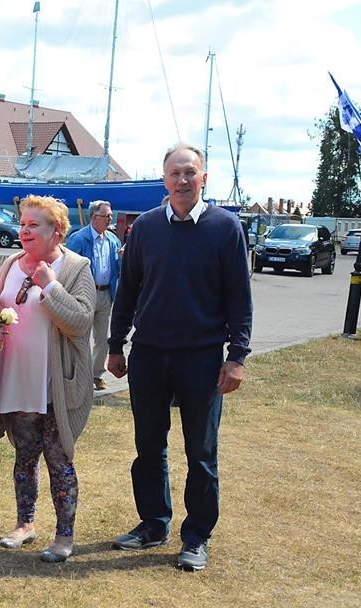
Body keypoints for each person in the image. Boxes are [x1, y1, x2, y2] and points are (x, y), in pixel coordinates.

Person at [107, 143, 252, 572]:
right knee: (148, 447)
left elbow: (239, 297)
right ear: (164, 180)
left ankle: (197, 536)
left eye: (190, 172)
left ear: (203, 178)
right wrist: (115, 344)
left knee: (201, 452)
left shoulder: (225, 227)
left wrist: (237, 356)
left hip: (202, 358)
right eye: (175, 173)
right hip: (149, 354)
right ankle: (154, 523)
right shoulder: (146, 228)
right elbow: (128, 289)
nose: (183, 180)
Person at [0, 195, 95, 562]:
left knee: (59, 459)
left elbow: (81, 322)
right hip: (18, 379)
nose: (25, 231)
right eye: (22, 224)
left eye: (34, 225)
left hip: (55, 385)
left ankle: (64, 536)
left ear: (58, 231)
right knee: (24, 457)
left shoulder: (75, 267)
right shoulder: (10, 263)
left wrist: (51, 286)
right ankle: (25, 524)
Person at [65, 200, 122, 390]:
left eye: (111, 215)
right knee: (81, 337)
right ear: (94, 217)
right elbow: (68, 266)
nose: (110, 219)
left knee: (103, 339)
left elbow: (119, 269)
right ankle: (79, 375)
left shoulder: (113, 240)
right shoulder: (79, 239)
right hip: (85, 295)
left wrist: (123, 258)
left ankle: (96, 375)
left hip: (106, 294)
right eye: (106, 216)